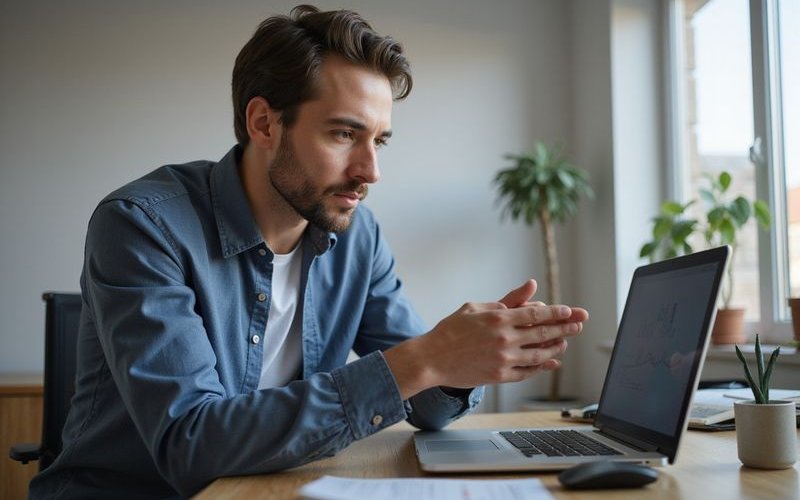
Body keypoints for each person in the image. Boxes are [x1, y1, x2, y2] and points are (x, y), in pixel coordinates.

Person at [30, 5, 588, 499]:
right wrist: (425, 358)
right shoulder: (143, 226)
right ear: (264, 122)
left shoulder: (357, 236)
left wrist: (461, 365)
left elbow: (426, 405)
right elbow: (190, 445)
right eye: (344, 135)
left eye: (379, 140)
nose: (371, 170)